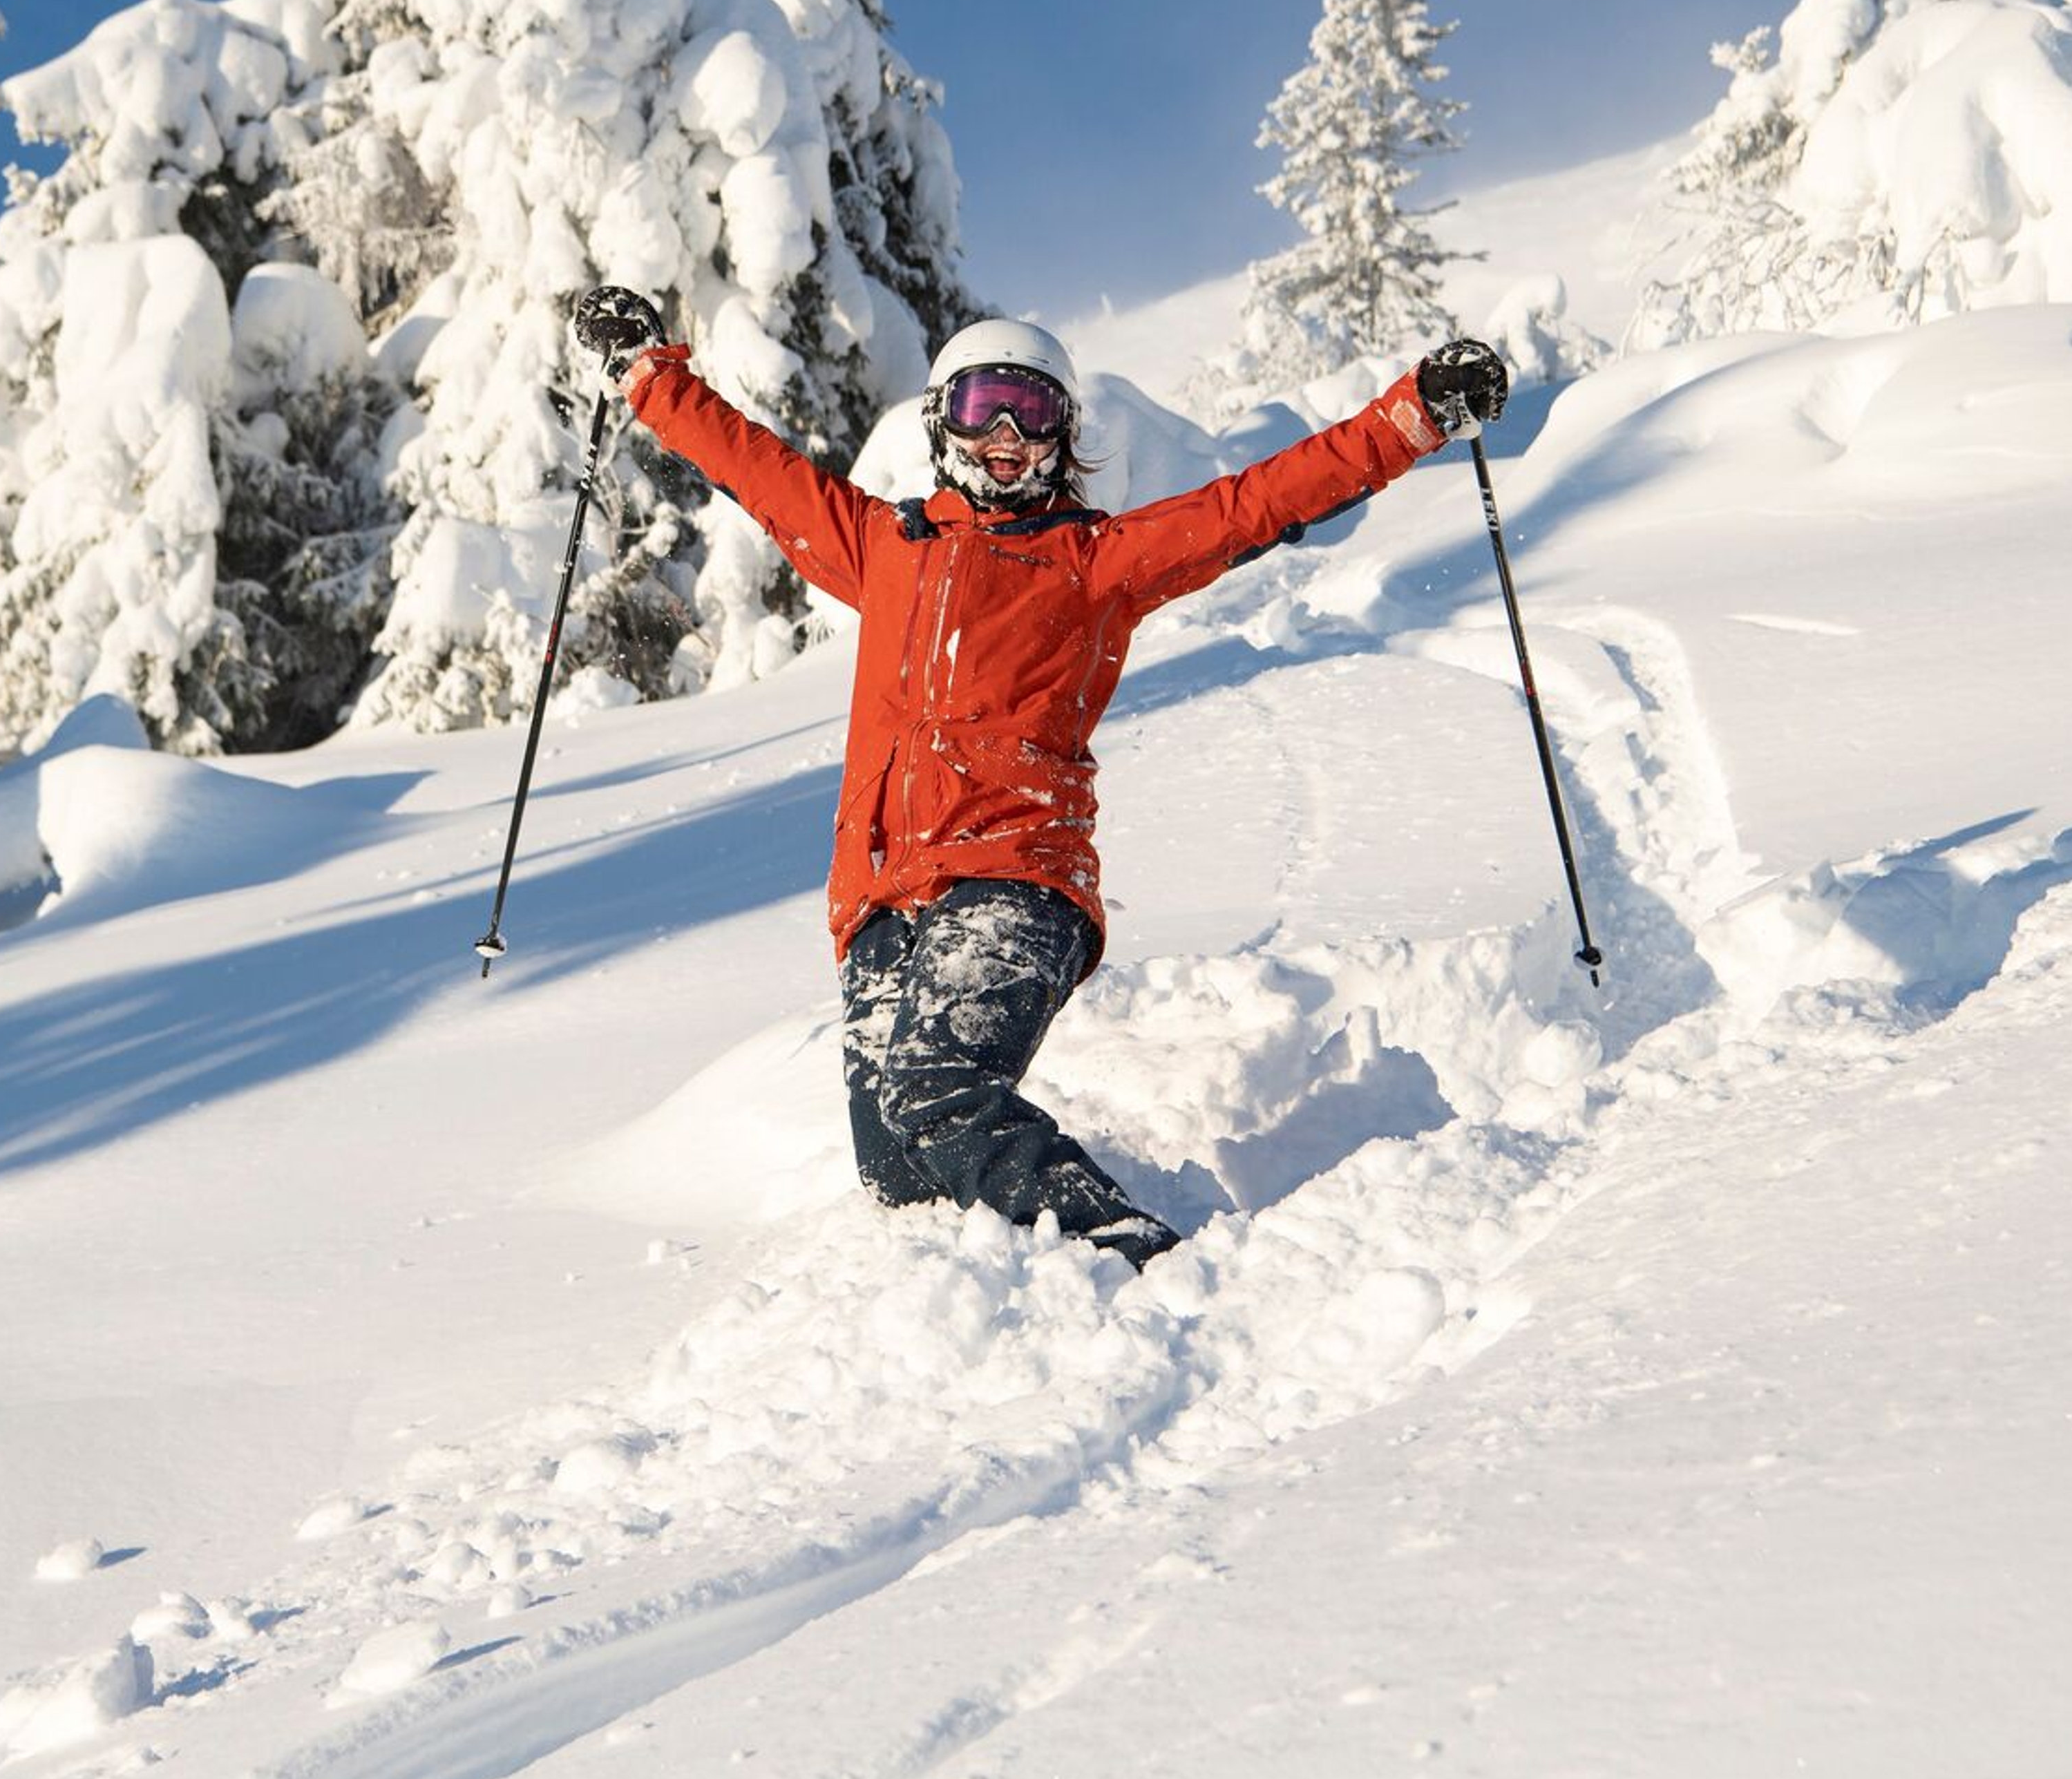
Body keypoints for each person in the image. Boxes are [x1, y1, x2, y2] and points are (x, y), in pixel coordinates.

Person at [573, 286, 1508, 1268]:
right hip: (882, 900)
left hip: (1019, 880)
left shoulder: (1094, 561)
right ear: (944, 424)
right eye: (983, 409)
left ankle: (1136, 1253)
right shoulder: (882, 548)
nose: (1009, 433)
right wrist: (646, 373)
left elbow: (1259, 501)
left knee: (937, 1090)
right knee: (898, 1164)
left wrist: (1413, 416)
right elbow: (751, 465)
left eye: (1035, 410)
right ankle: (1023, 1290)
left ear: (1065, 434)